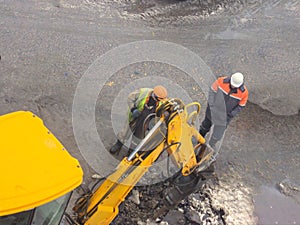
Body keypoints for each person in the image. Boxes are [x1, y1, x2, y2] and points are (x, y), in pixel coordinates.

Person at [110, 85, 168, 154]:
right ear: (155, 95)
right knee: (125, 133)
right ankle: (118, 144)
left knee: (137, 139)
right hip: (134, 117)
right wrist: (133, 109)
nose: (161, 101)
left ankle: (130, 153)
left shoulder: (162, 102)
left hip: (145, 122)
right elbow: (130, 98)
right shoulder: (143, 92)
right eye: (159, 99)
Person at [199, 72, 249, 150]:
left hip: (225, 116)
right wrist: (211, 105)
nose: (233, 86)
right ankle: (198, 139)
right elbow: (212, 91)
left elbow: (240, 106)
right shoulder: (221, 81)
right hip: (212, 111)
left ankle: (211, 145)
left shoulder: (244, 93)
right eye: (232, 84)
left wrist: (230, 115)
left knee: (218, 134)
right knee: (205, 126)